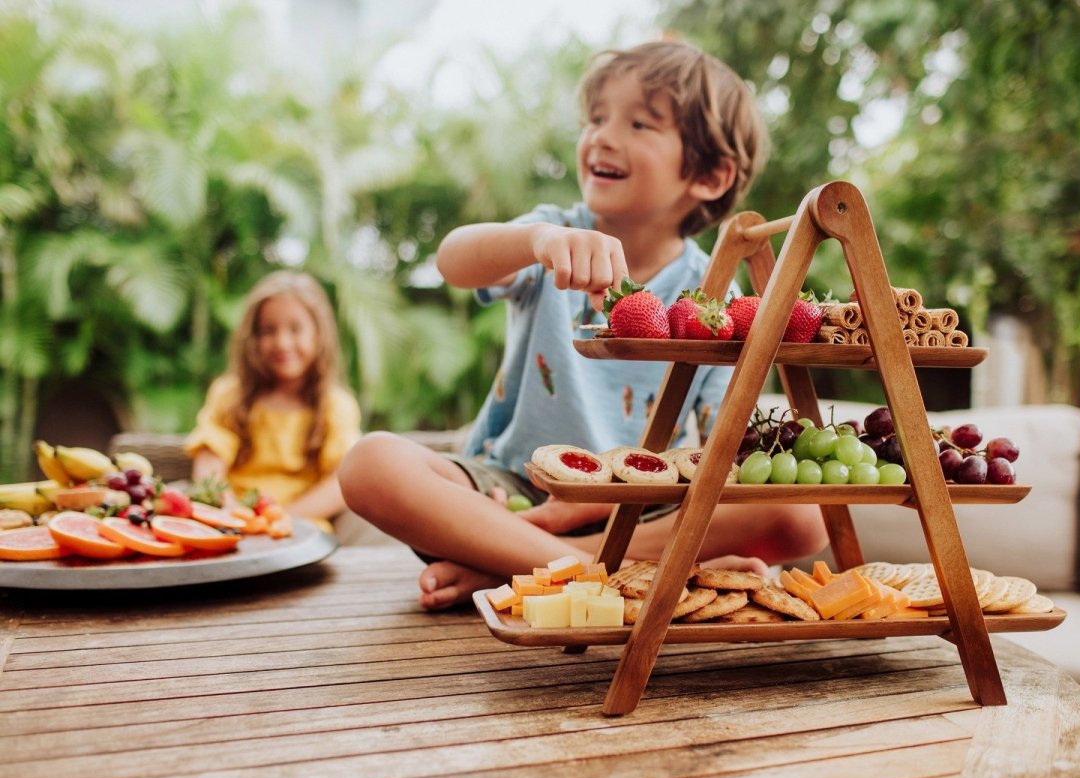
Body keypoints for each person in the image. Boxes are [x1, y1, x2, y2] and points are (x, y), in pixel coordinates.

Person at [339, 40, 827, 609]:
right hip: (512, 494)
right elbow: (452, 259)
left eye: (640, 123)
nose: (602, 135)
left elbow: (725, 443)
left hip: (639, 504)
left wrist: (603, 502)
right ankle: (608, 570)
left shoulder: (716, 290)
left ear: (711, 175)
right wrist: (537, 241)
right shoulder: (550, 236)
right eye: (595, 118)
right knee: (370, 464)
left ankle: (527, 567)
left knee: (804, 514)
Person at [186, 270, 361, 530]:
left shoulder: (335, 405)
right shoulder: (230, 395)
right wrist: (227, 508)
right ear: (253, 338)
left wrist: (283, 517)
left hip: (300, 527)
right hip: (232, 521)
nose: (282, 342)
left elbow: (340, 483)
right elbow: (210, 461)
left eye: (295, 329)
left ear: (319, 334)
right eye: (268, 330)